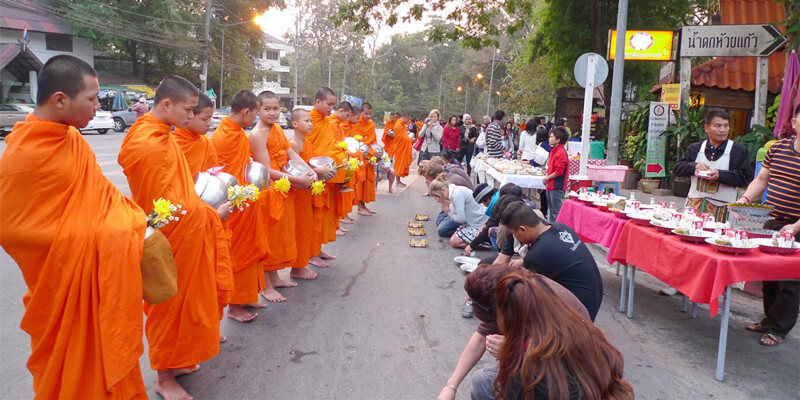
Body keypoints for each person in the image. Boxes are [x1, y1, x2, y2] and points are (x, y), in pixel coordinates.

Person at [0, 55, 149, 400]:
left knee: (106, 354)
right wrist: (95, 237)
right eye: (93, 99)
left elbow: (103, 197)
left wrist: (127, 223)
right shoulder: (23, 157)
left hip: (96, 278)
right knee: (70, 372)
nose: (98, 107)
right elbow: (13, 231)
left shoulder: (73, 140)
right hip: (62, 285)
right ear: (60, 100)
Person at [118, 75, 234, 400]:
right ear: (167, 104)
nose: (190, 116)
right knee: (168, 307)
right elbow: (167, 206)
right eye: (188, 110)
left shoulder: (164, 135)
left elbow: (182, 188)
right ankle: (163, 378)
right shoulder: (147, 142)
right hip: (170, 240)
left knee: (188, 304)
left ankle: (178, 361)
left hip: (187, 233)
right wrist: (212, 214)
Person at [437, 264, 590, 400]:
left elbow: (563, 354)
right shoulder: (509, 287)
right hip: (547, 357)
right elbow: (480, 337)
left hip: (573, 373)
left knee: (483, 383)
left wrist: (516, 349)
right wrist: (450, 387)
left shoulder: (542, 305)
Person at [490, 271, 633, 400]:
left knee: (482, 382)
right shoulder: (581, 329)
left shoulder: (526, 370)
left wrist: (509, 353)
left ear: (509, 319)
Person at [211, 90, 282, 323]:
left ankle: (248, 295)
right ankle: (234, 306)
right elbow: (221, 175)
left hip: (247, 201)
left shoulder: (238, 133)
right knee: (237, 256)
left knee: (252, 253)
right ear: (246, 111)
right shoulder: (223, 137)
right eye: (255, 114)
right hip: (233, 205)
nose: (254, 121)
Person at [737, 104, 800, 347]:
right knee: (769, 274)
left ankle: (779, 329)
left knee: (792, 281)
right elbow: (762, 179)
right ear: (793, 123)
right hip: (771, 221)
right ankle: (768, 319)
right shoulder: (777, 149)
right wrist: (745, 199)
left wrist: (795, 227)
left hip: (796, 227)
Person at [251, 91, 318, 303]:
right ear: (258, 109)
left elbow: (291, 154)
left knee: (282, 234)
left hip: (286, 185)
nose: (272, 113)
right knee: (269, 237)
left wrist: (309, 170)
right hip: (270, 188)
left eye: (276, 108)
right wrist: (297, 180)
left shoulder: (277, 129)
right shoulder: (257, 134)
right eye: (267, 109)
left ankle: (276, 277)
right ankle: (266, 286)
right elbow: (266, 169)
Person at [500, 201, 603, 320]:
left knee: (518, 300)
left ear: (522, 229)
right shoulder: (561, 228)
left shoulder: (537, 255)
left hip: (579, 317)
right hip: (592, 300)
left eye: (514, 234)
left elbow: (526, 294)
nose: (516, 239)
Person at [674, 109, 753, 222]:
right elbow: (678, 168)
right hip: (693, 208)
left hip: (724, 210)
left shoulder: (738, 150)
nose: (723, 130)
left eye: (726, 126)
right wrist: (694, 166)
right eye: (718, 126)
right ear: (706, 128)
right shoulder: (695, 148)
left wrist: (719, 175)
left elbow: (745, 177)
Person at [304, 87, 348, 263]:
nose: (331, 108)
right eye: (329, 104)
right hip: (315, 174)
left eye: (333, 104)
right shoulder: (309, 120)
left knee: (323, 216)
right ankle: (311, 254)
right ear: (318, 102)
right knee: (313, 218)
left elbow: (330, 144)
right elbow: (305, 148)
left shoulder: (326, 121)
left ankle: (318, 248)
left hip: (328, 174)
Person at [288, 108, 327, 271]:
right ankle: (297, 267)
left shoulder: (307, 142)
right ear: (295, 124)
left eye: (311, 120)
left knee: (310, 226)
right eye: (306, 121)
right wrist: (318, 171)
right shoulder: (293, 144)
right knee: (300, 229)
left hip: (308, 190)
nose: (310, 124)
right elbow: (294, 169)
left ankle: (311, 254)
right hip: (298, 192)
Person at [429, 174, 489, 248]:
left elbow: (461, 219)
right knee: (450, 235)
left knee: (454, 242)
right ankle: (476, 241)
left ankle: (482, 242)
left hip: (478, 222)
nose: (436, 199)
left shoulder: (456, 195)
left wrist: (447, 211)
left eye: (436, 196)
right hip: (474, 219)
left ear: (443, 190)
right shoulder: (453, 191)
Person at [171, 94, 220, 174]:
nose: (209, 123)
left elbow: (213, 173)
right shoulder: (172, 143)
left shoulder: (205, 142)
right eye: (205, 119)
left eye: (210, 118)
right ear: (189, 115)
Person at [353, 102, 379, 215]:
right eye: (366, 113)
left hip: (370, 155)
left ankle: (364, 205)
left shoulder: (371, 123)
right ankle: (360, 206)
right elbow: (354, 141)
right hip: (361, 155)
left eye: (370, 114)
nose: (368, 116)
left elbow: (373, 140)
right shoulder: (356, 123)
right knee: (360, 182)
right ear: (361, 112)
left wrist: (376, 152)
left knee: (368, 181)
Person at [543, 126, 569, 222]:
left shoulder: (560, 152)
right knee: (551, 211)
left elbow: (559, 171)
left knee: (555, 213)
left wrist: (547, 178)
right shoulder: (554, 151)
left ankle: (556, 232)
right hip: (550, 184)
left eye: (552, 137)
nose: (549, 138)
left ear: (558, 139)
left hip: (556, 186)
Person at [393, 112, 414, 188]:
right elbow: (401, 138)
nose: (408, 121)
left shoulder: (402, 125)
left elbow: (404, 136)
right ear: (404, 117)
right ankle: (397, 182)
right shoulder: (398, 125)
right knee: (399, 164)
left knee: (400, 164)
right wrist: (409, 140)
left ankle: (399, 181)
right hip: (400, 148)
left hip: (402, 148)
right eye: (408, 119)